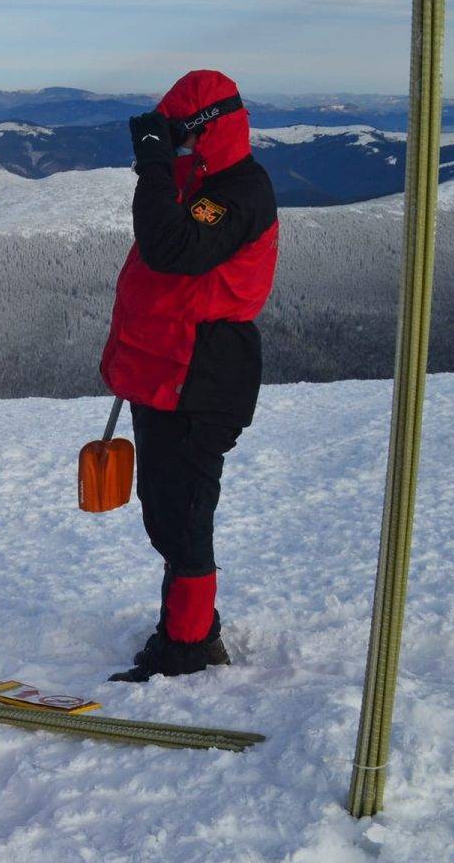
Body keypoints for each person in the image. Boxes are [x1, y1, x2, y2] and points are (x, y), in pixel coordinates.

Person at [99, 69, 280, 683]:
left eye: (179, 136)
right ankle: (190, 626)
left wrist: (153, 166)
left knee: (184, 513)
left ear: (207, 131)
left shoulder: (238, 192)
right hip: (170, 371)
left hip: (204, 373)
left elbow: (169, 248)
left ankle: (189, 643)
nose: (171, 147)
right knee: (167, 507)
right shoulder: (203, 182)